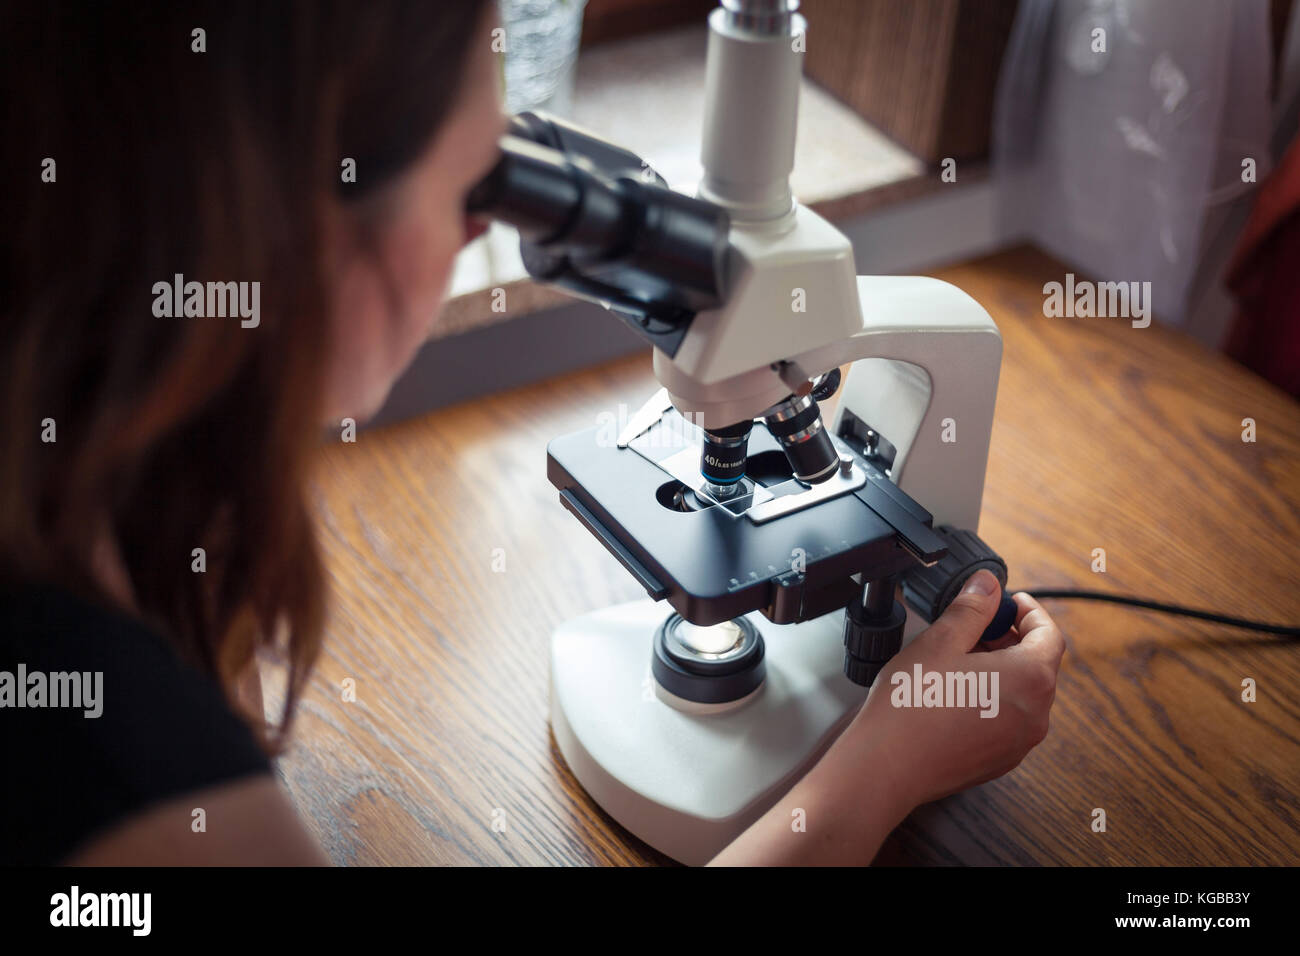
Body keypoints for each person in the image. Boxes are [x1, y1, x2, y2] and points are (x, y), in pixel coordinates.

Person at [0, 1, 1065, 866]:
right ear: (303, 218)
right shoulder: (135, 777)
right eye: (478, 186)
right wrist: (878, 773)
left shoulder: (88, 508)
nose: (485, 227)